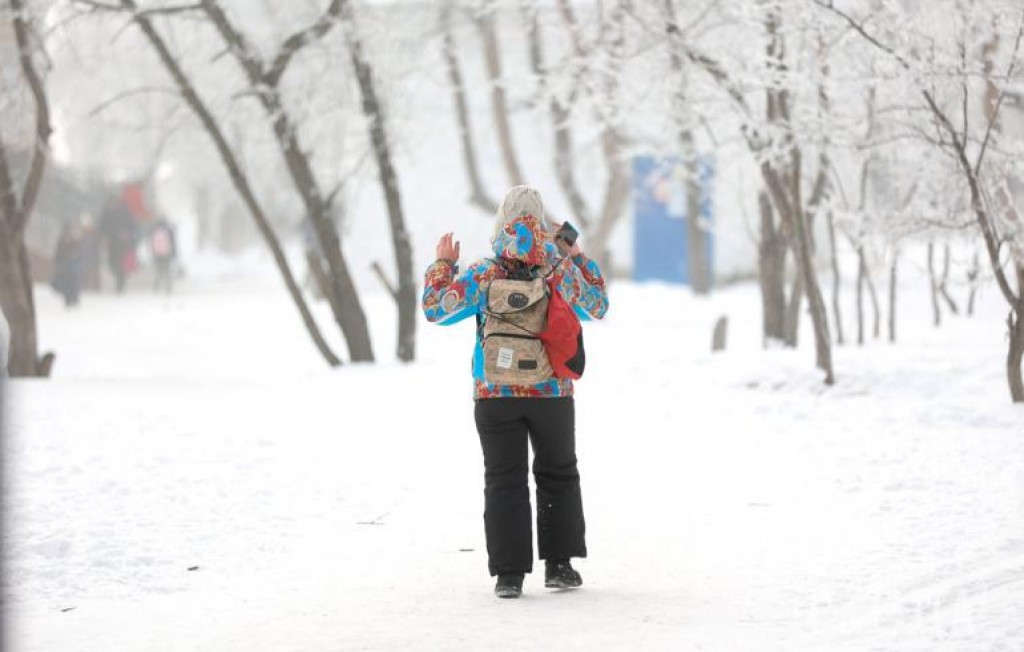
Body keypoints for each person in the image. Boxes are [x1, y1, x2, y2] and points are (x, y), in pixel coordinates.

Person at [421, 185, 609, 598]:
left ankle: (509, 575)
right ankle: (559, 566)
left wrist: (443, 264)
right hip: (552, 393)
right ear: (541, 222)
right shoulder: (557, 270)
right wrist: (577, 257)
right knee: (558, 472)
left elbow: (436, 308)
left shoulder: (485, 272)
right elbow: (597, 306)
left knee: (503, 478)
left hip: (494, 392)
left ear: (501, 221)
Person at [51, 223, 84, 308]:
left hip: (72, 266)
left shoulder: (75, 240)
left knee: (73, 282)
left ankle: (73, 297)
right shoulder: (62, 241)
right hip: (65, 266)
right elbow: (58, 253)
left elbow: (79, 252)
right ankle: (68, 298)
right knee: (67, 282)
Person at [149, 217, 178, 294]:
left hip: (157, 254)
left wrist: (153, 253)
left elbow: (152, 244)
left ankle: (156, 285)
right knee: (167, 271)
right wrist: (174, 253)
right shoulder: (168, 232)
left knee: (158, 271)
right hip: (166, 253)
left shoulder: (154, 232)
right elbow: (172, 243)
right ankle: (168, 286)